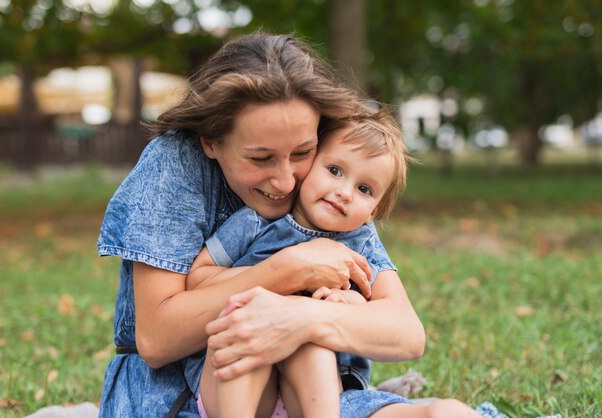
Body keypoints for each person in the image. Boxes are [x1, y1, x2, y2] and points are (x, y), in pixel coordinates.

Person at [97, 32, 474, 418]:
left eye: (302, 153)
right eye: (261, 158)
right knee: (249, 332)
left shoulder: (331, 185)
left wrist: (305, 317)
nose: (286, 182)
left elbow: (406, 333)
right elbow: (157, 338)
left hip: (313, 397)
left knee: (447, 414)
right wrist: (286, 271)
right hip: (180, 396)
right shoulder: (175, 163)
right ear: (211, 141)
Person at [186, 112, 482, 418]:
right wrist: (277, 278)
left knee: (311, 338)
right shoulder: (255, 223)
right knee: (246, 315)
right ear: (310, 164)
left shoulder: (360, 244)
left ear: (373, 211)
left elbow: (393, 320)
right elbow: (198, 278)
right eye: (335, 170)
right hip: (240, 389)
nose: (344, 192)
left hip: (322, 397)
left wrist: (347, 303)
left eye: (364, 189)